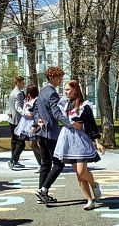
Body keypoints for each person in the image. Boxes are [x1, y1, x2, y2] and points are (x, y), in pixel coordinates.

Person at [53, 80, 105, 210]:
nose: (65, 92)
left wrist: (97, 142)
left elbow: (91, 124)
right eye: (65, 89)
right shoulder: (64, 104)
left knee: (82, 171)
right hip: (67, 140)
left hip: (80, 140)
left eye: (68, 89)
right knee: (78, 174)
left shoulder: (84, 105)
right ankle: (89, 200)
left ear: (75, 90)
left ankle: (94, 184)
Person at [34, 66, 83, 204]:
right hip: (51, 133)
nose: (60, 80)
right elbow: (56, 113)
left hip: (42, 132)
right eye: (58, 77)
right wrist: (70, 123)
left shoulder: (43, 91)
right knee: (58, 164)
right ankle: (43, 190)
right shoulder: (52, 93)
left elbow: (36, 109)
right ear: (51, 78)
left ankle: (42, 194)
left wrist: (37, 120)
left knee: (45, 164)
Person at [14, 84, 42, 170]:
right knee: (32, 145)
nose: (28, 93)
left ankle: (46, 158)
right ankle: (41, 164)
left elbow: (37, 112)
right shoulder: (28, 99)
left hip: (33, 124)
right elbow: (23, 109)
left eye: (29, 91)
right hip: (25, 124)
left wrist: (34, 122)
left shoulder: (36, 100)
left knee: (33, 144)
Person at [8, 76, 26, 169]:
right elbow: (18, 106)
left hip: (12, 120)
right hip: (18, 120)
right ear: (18, 83)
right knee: (21, 143)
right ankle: (13, 160)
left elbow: (10, 105)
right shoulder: (19, 93)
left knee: (14, 141)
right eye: (22, 82)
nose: (23, 84)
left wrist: (9, 112)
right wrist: (25, 114)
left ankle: (14, 160)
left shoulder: (12, 92)